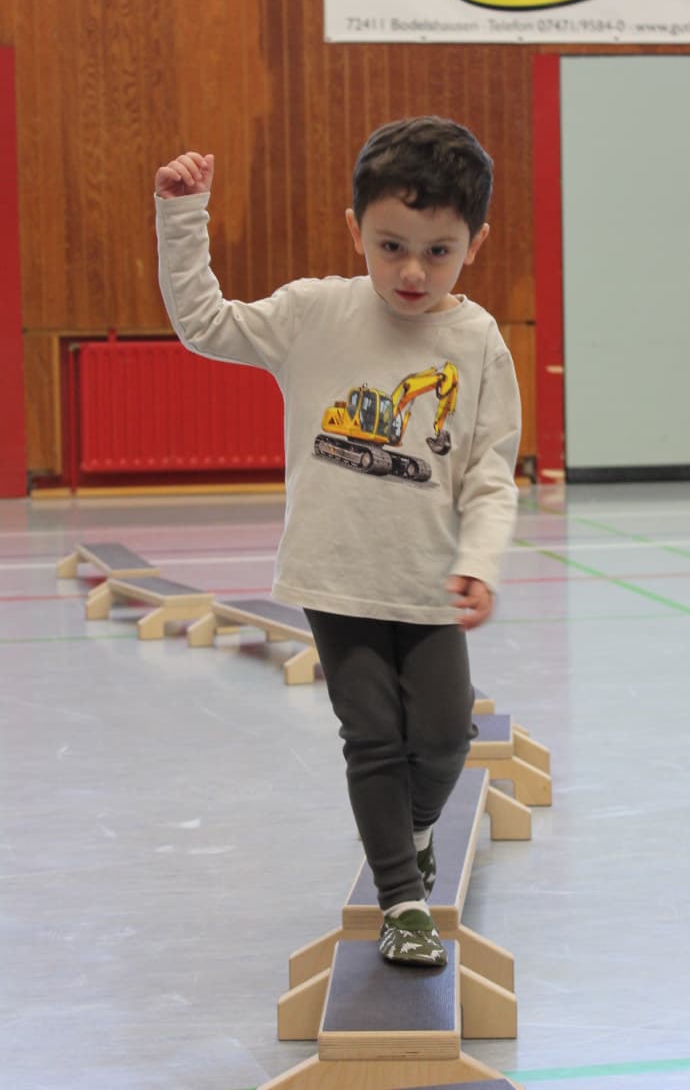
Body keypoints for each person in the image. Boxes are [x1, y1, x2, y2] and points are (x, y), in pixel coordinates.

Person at [154, 116, 521, 966]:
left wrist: (479, 560)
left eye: (439, 252)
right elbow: (204, 323)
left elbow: (490, 472)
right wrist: (182, 216)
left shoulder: (477, 343)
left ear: (475, 244)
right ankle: (402, 900)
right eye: (391, 246)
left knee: (444, 739)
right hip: (336, 577)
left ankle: (414, 829)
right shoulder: (312, 313)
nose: (412, 272)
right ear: (355, 228)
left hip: (429, 582)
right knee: (373, 737)